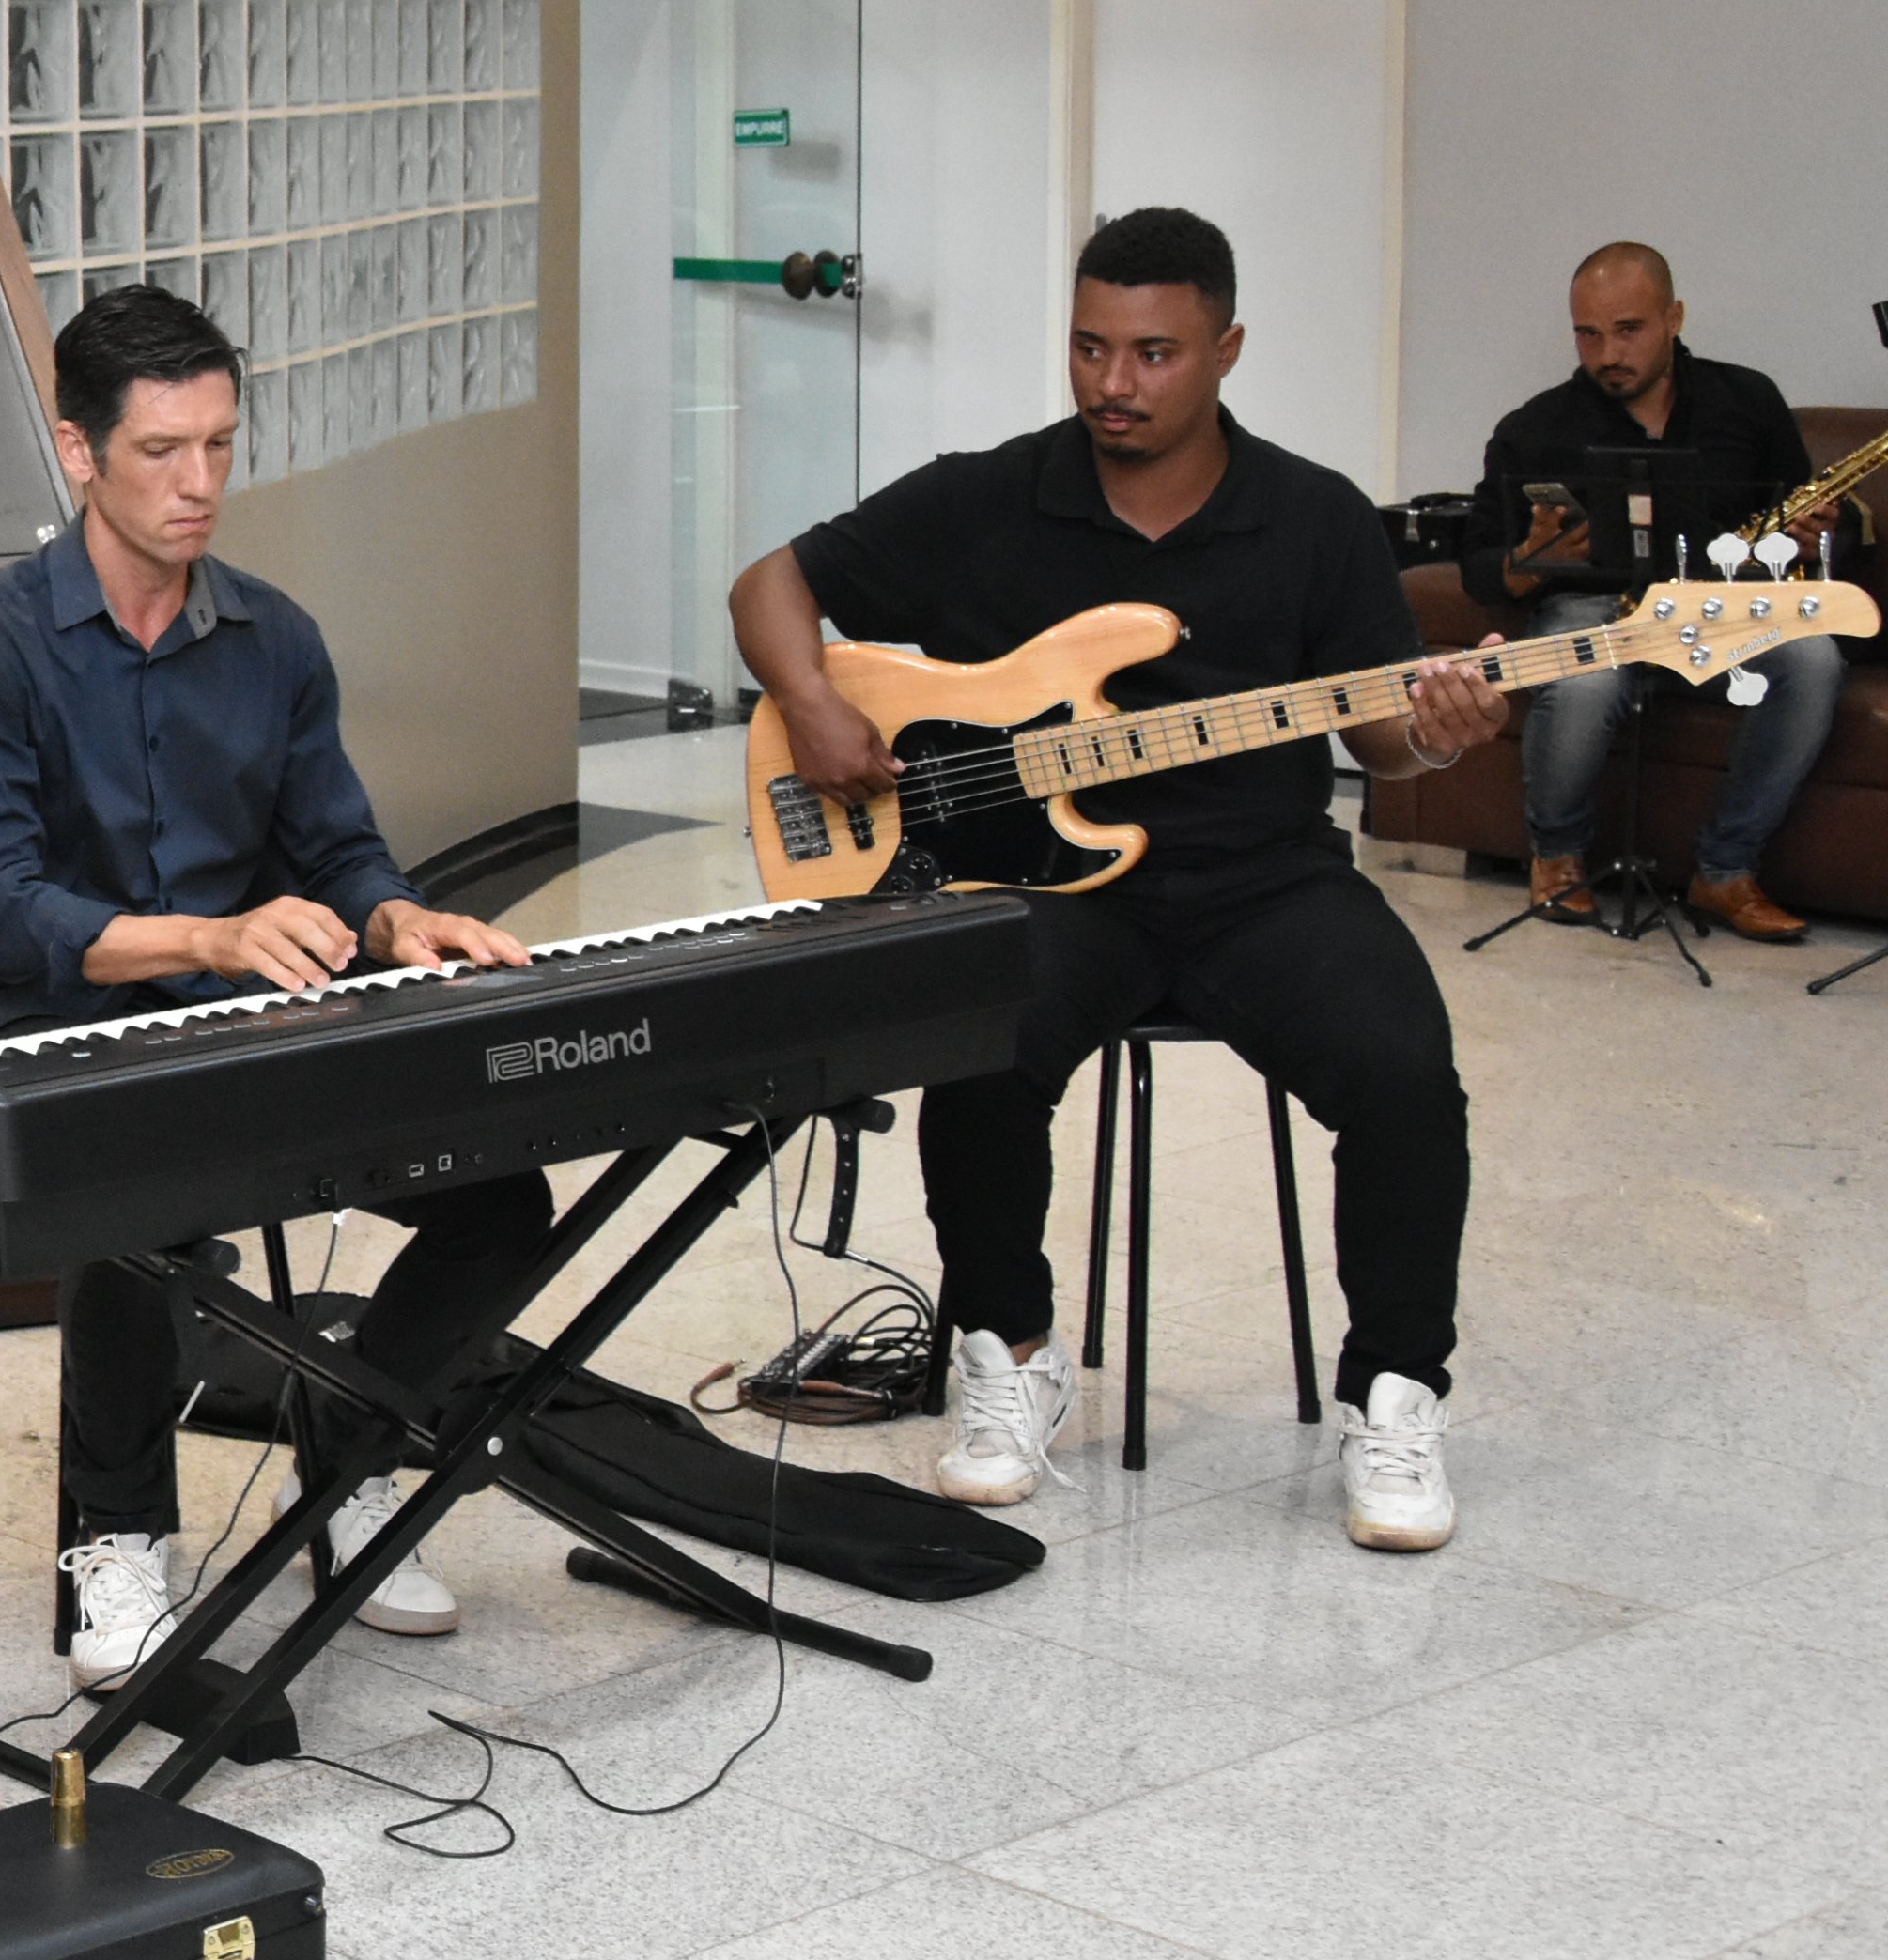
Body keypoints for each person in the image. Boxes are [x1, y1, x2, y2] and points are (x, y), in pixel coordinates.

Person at [728, 207, 1507, 1551]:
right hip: (1053, 891)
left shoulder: (1314, 517)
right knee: (977, 1051)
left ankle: (1394, 1394)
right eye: (1090, 347)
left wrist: (1438, 730)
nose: (1113, 383)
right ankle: (1009, 1353)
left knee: (1406, 1080)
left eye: (1153, 354)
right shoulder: (989, 495)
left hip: (1265, 882)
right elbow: (770, 585)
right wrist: (810, 702)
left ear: (1226, 350)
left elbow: (1383, 744)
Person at [0, 284, 548, 1688]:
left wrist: (398, 915)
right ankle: (118, 1535)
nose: (198, 483)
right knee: (137, 1184)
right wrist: (204, 939)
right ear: (79, 452)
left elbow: (339, 850)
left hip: (238, 1011)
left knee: (502, 1201)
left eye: (219, 445)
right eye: (161, 451)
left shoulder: (277, 639)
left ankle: (351, 1454)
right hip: (46, 1011)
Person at [1468, 240, 1838, 941]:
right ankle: (1558, 856)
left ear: (1675, 317)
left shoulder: (1747, 400)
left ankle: (1724, 870)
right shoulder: (1532, 429)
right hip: (1594, 608)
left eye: (1628, 330)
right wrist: (1530, 561)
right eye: (1588, 334)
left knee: (1813, 660)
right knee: (1584, 681)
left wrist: (1812, 534)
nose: (1608, 353)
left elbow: (1800, 514)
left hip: (1721, 608)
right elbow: (1480, 564)